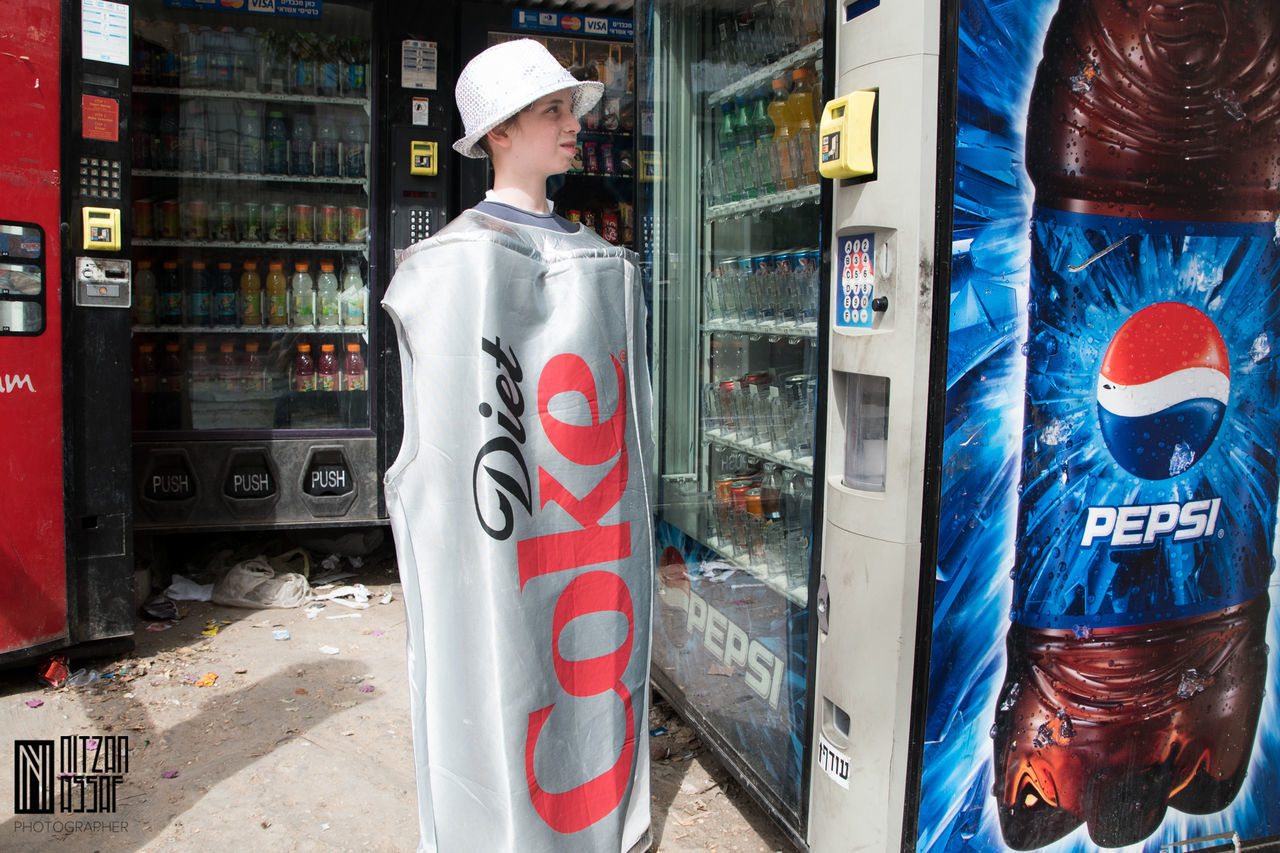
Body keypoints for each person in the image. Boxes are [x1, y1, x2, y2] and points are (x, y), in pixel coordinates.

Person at [381, 39, 655, 853]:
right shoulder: (442, 274)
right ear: (499, 132)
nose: (574, 125)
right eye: (552, 110)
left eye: (570, 109)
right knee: (507, 683)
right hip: (533, 553)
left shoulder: (603, 263)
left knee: (561, 676)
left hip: (580, 559)